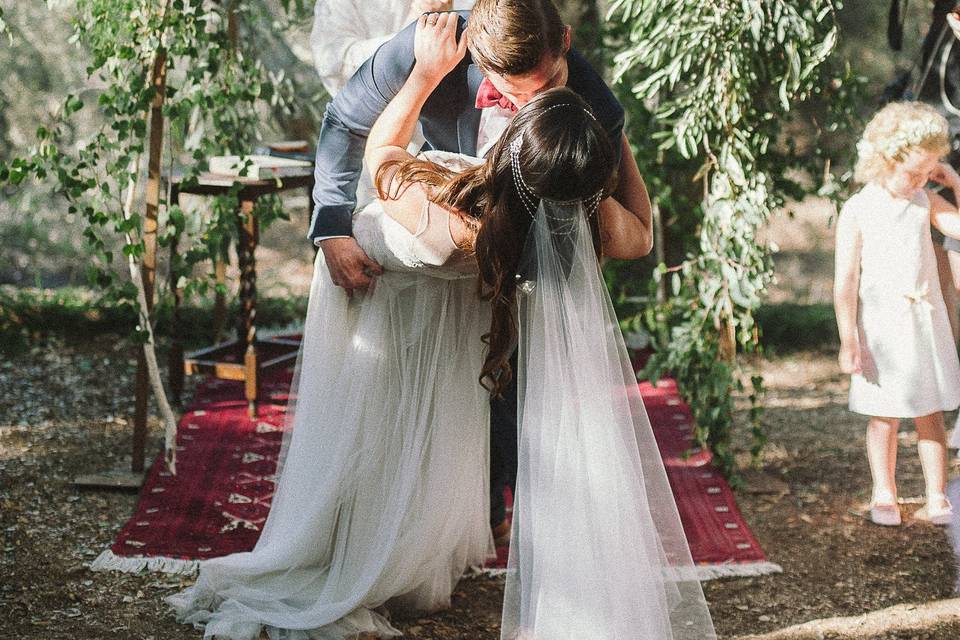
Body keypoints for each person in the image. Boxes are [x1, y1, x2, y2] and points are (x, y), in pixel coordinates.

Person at [167, 15, 716, 640]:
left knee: (400, 436)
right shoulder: (578, 217)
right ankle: (402, 544)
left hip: (408, 276)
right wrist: (609, 152)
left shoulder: (442, 209)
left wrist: (425, 76)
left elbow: (380, 154)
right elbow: (640, 233)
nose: (525, 103)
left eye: (538, 97)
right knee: (413, 435)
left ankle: (379, 551)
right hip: (411, 293)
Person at [309, 0, 633, 545]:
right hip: (435, 219)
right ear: (481, 60)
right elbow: (344, 124)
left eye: (547, 81)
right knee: (418, 382)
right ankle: (409, 519)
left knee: (506, 373)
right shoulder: (425, 47)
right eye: (515, 89)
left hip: (513, 249)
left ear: (566, 43)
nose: (534, 102)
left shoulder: (596, 103)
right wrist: (332, 229)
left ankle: (492, 511)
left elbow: (619, 210)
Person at [834, 101, 960, 527]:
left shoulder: (927, 201)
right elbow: (845, 282)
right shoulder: (858, 209)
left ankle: (937, 494)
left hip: (924, 324)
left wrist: (955, 184)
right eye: (914, 172)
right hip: (881, 328)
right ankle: (883, 491)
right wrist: (849, 339)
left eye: (929, 172)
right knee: (883, 414)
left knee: (931, 412)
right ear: (887, 159)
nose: (922, 180)